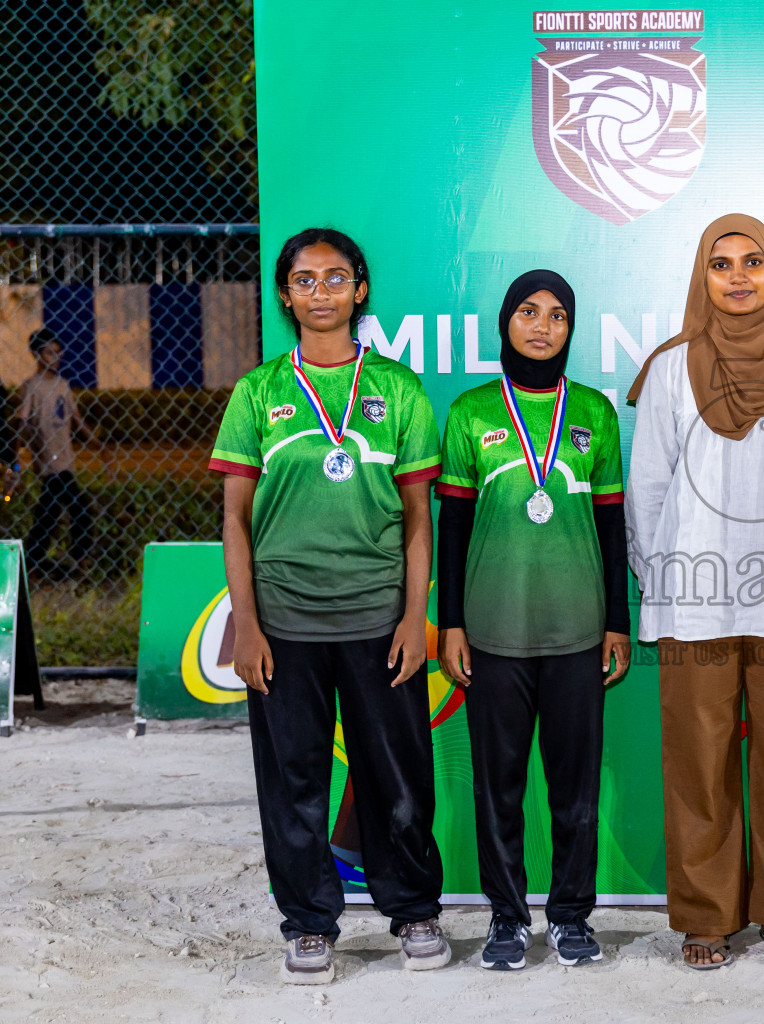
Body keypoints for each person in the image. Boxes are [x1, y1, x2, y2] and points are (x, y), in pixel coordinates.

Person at [209, 228, 448, 984]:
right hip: (284, 624)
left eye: (335, 278)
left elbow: (418, 519)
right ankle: (309, 922)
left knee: (398, 775)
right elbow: (234, 519)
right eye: (304, 280)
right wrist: (247, 625)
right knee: (295, 778)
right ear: (285, 295)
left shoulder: (399, 390)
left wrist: (415, 617)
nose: (320, 292)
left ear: (361, 288)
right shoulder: (260, 393)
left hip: (380, 621)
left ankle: (412, 909)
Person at [626, 213, 764, 968]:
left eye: (752, 262)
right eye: (720, 264)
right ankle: (706, 916)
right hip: (695, 598)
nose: (737, 277)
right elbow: (649, 488)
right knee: (699, 764)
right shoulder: (668, 370)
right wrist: (663, 576)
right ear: (702, 275)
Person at [435, 270, 631, 971]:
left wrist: (617, 622)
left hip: (577, 633)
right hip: (493, 634)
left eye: (556, 315)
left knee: (575, 787)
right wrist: (449, 624)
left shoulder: (596, 415)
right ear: (505, 323)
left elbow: (613, 530)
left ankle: (572, 916)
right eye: (528, 312)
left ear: (571, 328)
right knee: (499, 787)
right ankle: (507, 919)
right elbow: (451, 529)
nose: (542, 326)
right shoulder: (471, 413)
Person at [17, 327, 95, 574]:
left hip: (65, 458)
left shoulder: (63, 385)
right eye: (49, 353)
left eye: (58, 353)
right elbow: (22, 420)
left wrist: (96, 441)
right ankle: (77, 558)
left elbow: (76, 418)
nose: (56, 357)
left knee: (48, 514)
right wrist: (17, 452)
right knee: (79, 508)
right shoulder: (31, 386)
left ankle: (32, 561)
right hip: (49, 461)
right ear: (37, 355)